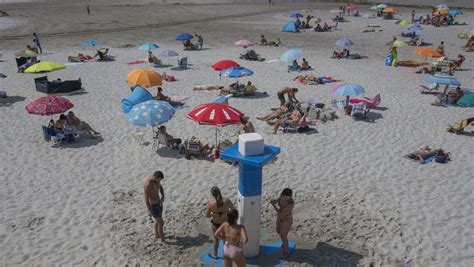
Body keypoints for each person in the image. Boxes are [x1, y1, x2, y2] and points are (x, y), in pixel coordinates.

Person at [205, 186, 235, 259]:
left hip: (216, 224)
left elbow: (207, 215)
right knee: (225, 238)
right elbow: (233, 209)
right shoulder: (227, 201)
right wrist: (226, 213)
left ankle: (215, 254)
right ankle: (226, 254)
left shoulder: (211, 204)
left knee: (216, 239)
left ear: (212, 194)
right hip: (225, 223)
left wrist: (213, 214)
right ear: (220, 192)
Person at [144, 171, 169, 245]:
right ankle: (162, 240)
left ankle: (157, 235)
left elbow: (161, 188)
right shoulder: (148, 185)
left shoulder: (157, 181)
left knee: (158, 222)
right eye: (159, 179)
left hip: (159, 203)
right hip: (153, 206)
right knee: (161, 223)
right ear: (156, 177)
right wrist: (149, 209)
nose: (160, 181)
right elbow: (146, 198)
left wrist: (163, 196)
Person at [271, 188, 294, 257]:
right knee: (278, 231)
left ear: (290, 196)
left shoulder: (290, 204)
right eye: (284, 196)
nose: (285, 198)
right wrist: (273, 201)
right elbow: (276, 201)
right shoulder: (281, 197)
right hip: (280, 218)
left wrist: (273, 205)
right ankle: (284, 242)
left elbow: (281, 213)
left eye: (288, 196)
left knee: (283, 235)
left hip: (287, 220)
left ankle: (286, 250)